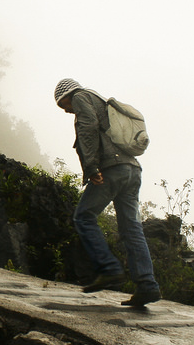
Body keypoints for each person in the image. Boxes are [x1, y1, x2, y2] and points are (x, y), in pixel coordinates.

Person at [54, 78, 161, 307]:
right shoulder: (100, 101)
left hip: (111, 169)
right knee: (132, 229)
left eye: (64, 105)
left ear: (67, 94)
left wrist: (91, 166)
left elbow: (88, 128)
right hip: (131, 170)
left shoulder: (81, 97)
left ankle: (109, 269)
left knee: (83, 216)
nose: (66, 111)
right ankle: (147, 285)